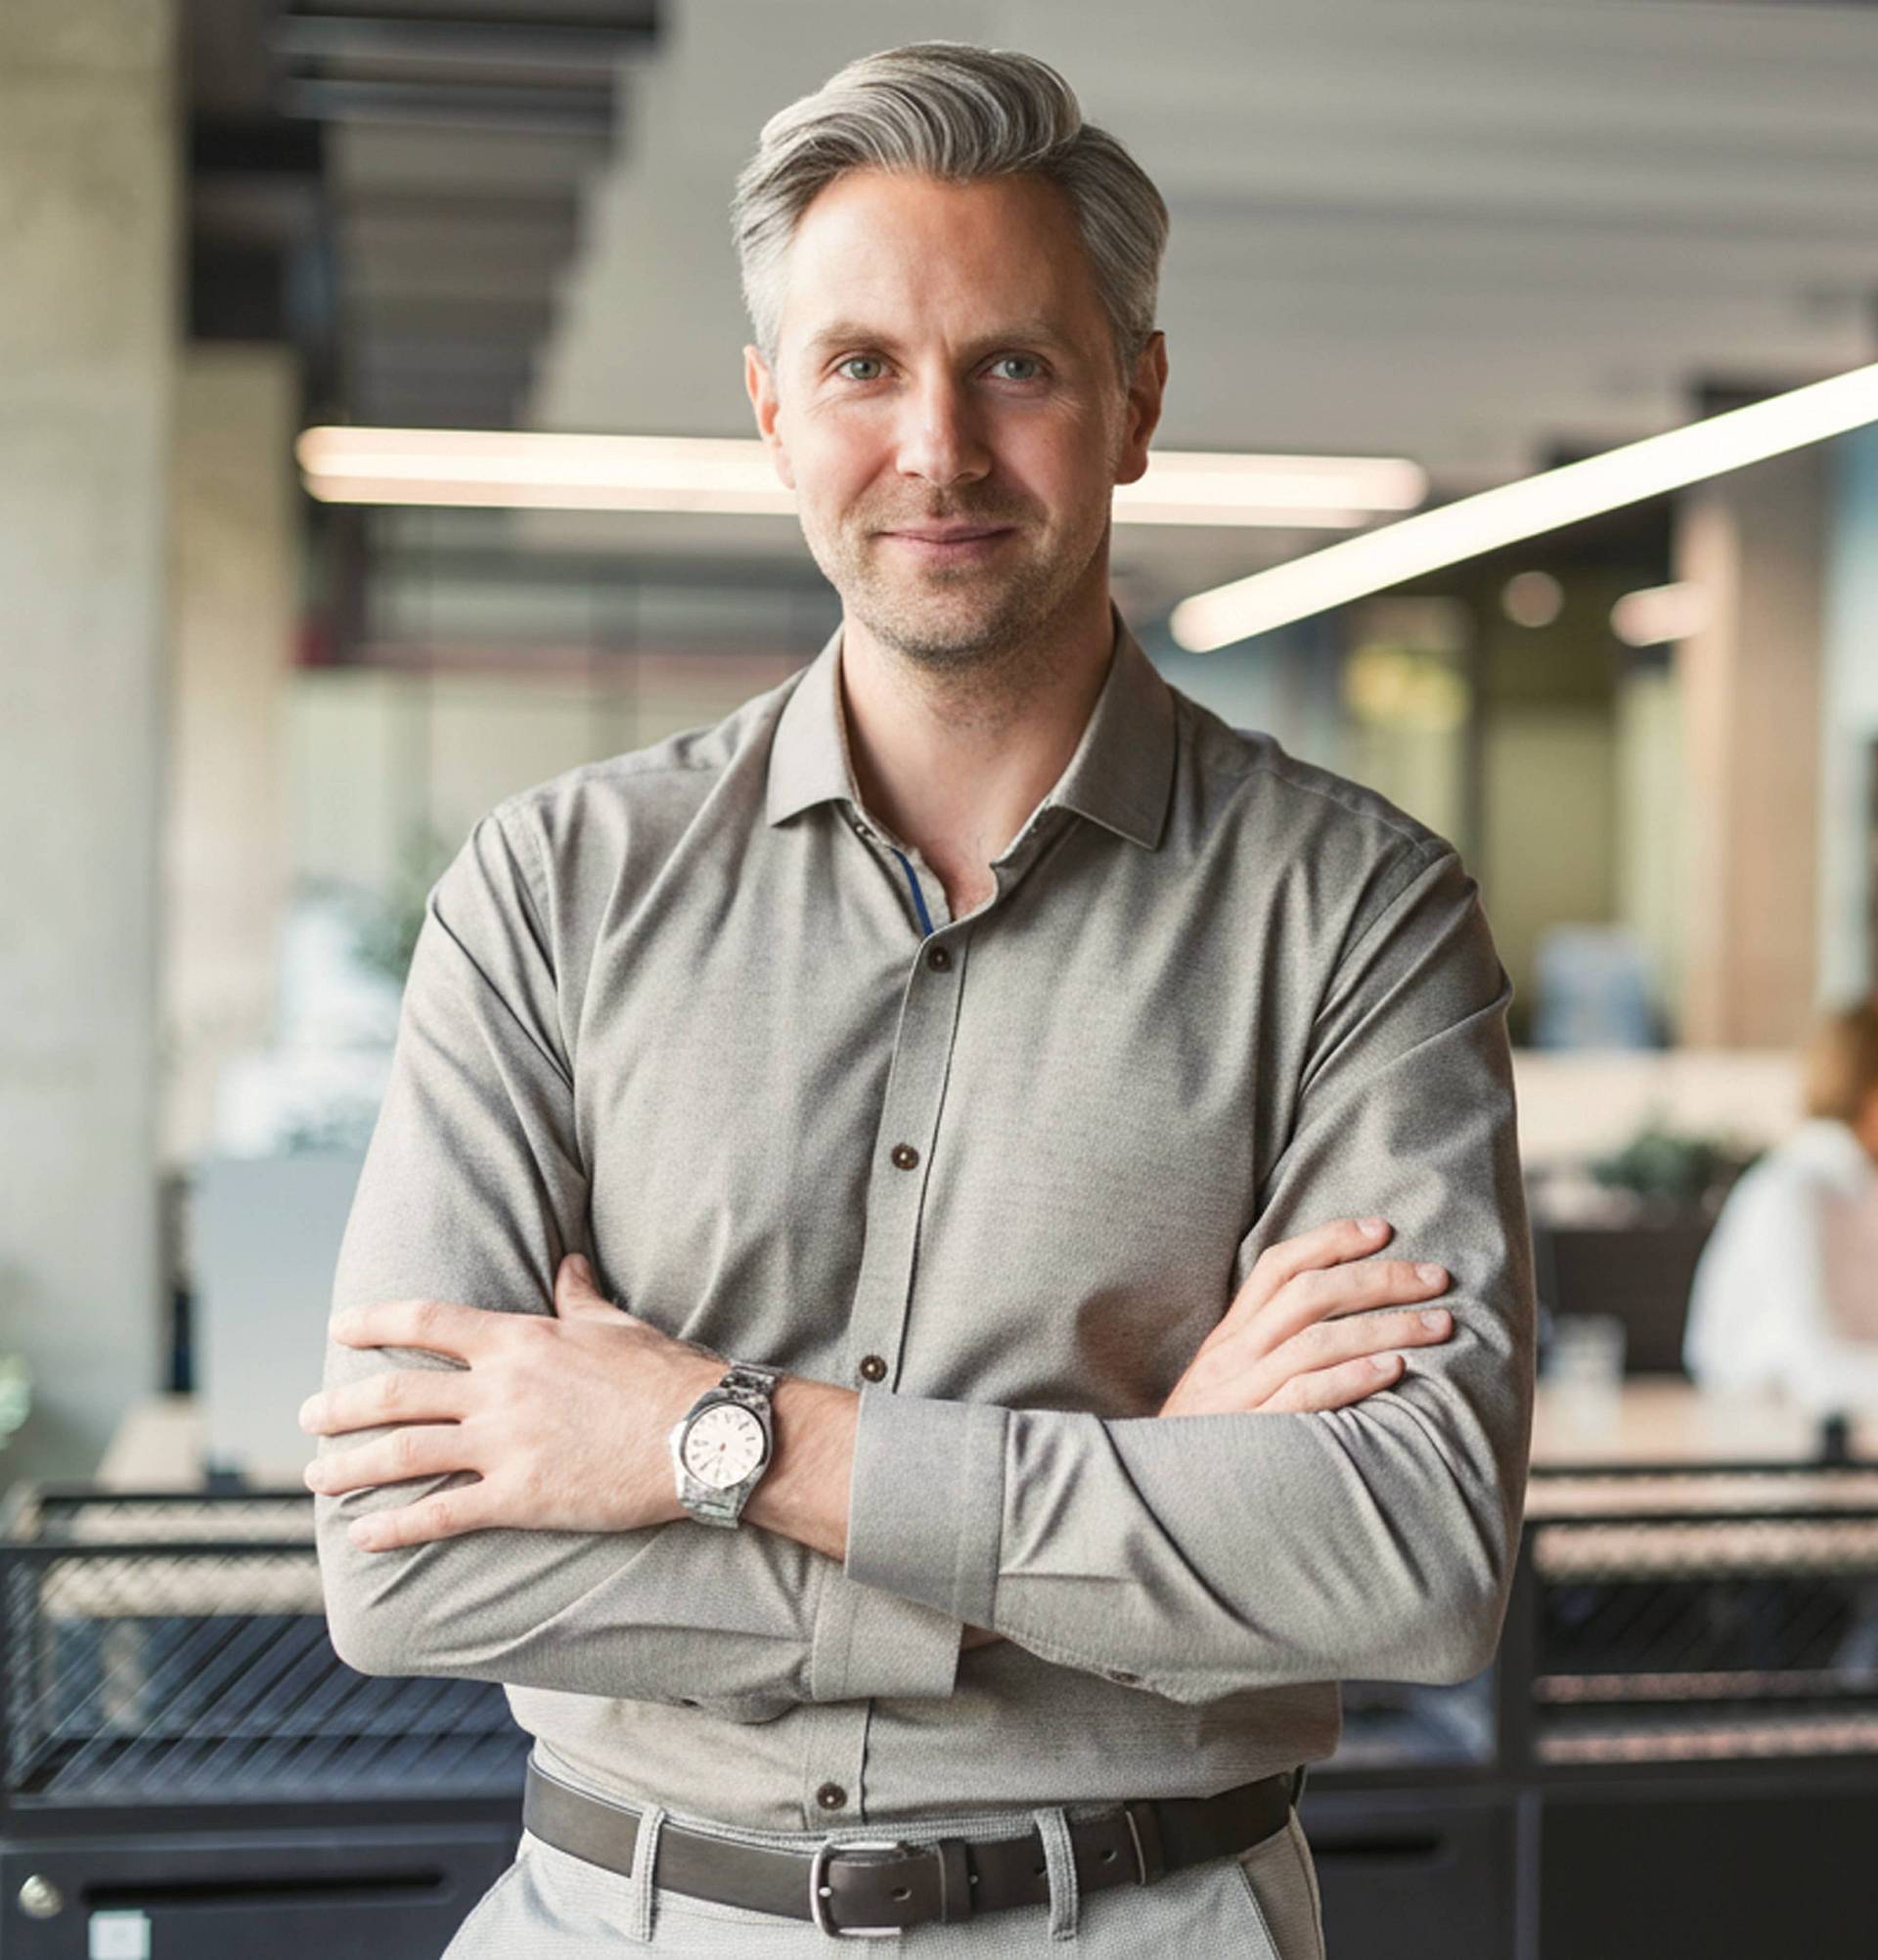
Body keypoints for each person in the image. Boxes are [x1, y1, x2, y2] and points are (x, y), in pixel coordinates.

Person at [300, 42, 1535, 1956]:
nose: (939, 450)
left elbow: (1405, 1564)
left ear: (1135, 398)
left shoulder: (1357, 913)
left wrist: (714, 1445)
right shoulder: (556, 890)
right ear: (773, 410)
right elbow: (408, 1574)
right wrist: (1140, 1511)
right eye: (864, 366)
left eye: (1016, 365)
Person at [1683, 997, 1878, 1415]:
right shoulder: (1790, 1192)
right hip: (1762, 1452)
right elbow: (1815, 1371)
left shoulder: (1860, 1188)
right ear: (1870, 1096)